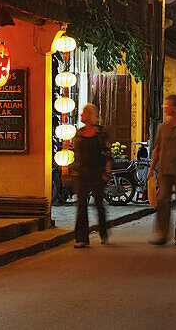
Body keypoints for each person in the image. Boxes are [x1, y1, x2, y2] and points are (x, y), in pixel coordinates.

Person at [148, 94, 176, 245]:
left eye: (168, 105)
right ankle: (162, 233)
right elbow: (157, 149)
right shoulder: (163, 127)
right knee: (162, 201)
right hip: (165, 171)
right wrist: (151, 168)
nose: (165, 108)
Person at [72, 103, 111, 248]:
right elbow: (76, 154)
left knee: (99, 203)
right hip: (82, 172)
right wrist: (72, 171)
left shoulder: (101, 133)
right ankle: (82, 238)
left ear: (90, 115)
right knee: (81, 204)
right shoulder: (79, 133)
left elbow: (107, 153)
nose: (81, 116)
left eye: (83, 113)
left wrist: (107, 171)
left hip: (97, 171)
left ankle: (103, 231)